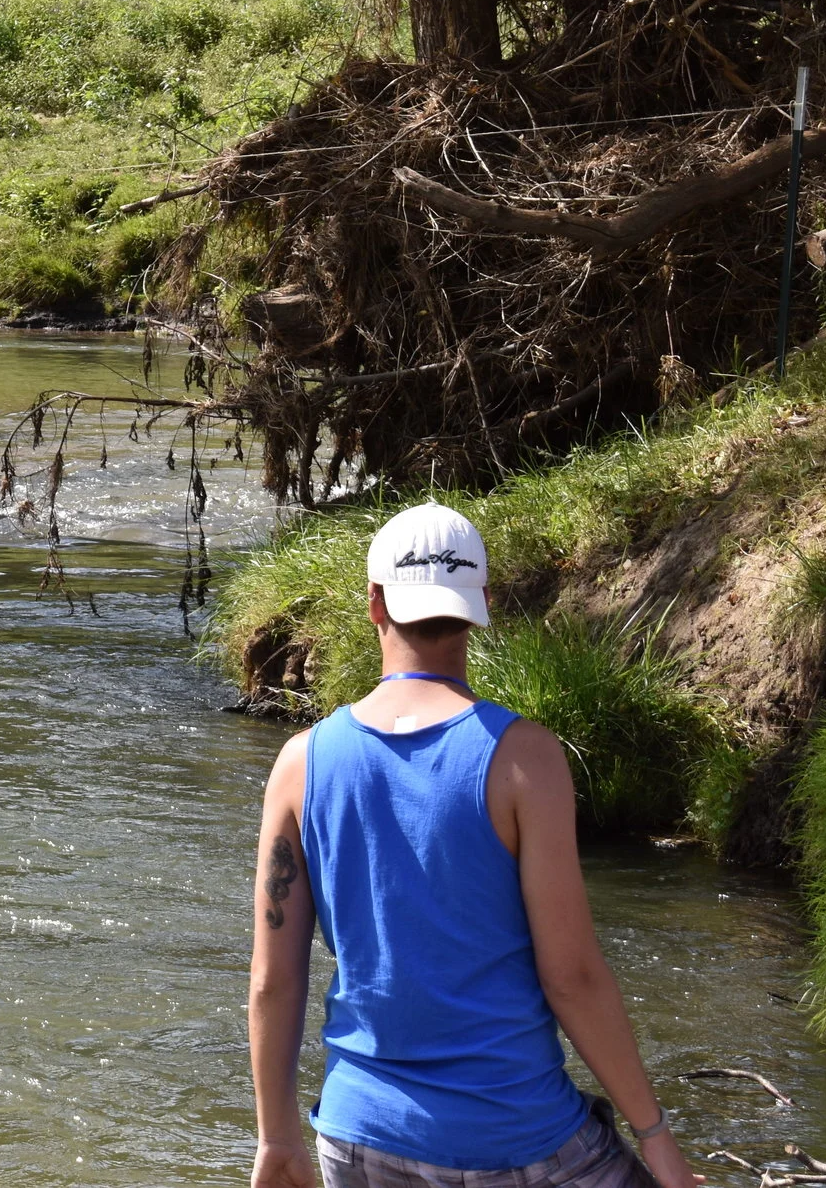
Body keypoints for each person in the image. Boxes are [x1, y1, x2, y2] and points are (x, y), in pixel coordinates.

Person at [249, 502, 699, 1188]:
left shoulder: (299, 763)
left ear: (375, 602)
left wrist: (278, 1136)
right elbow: (571, 977)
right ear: (479, 604)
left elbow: (274, 980)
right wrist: (655, 1134)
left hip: (356, 1136)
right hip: (515, 1140)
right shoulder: (525, 759)